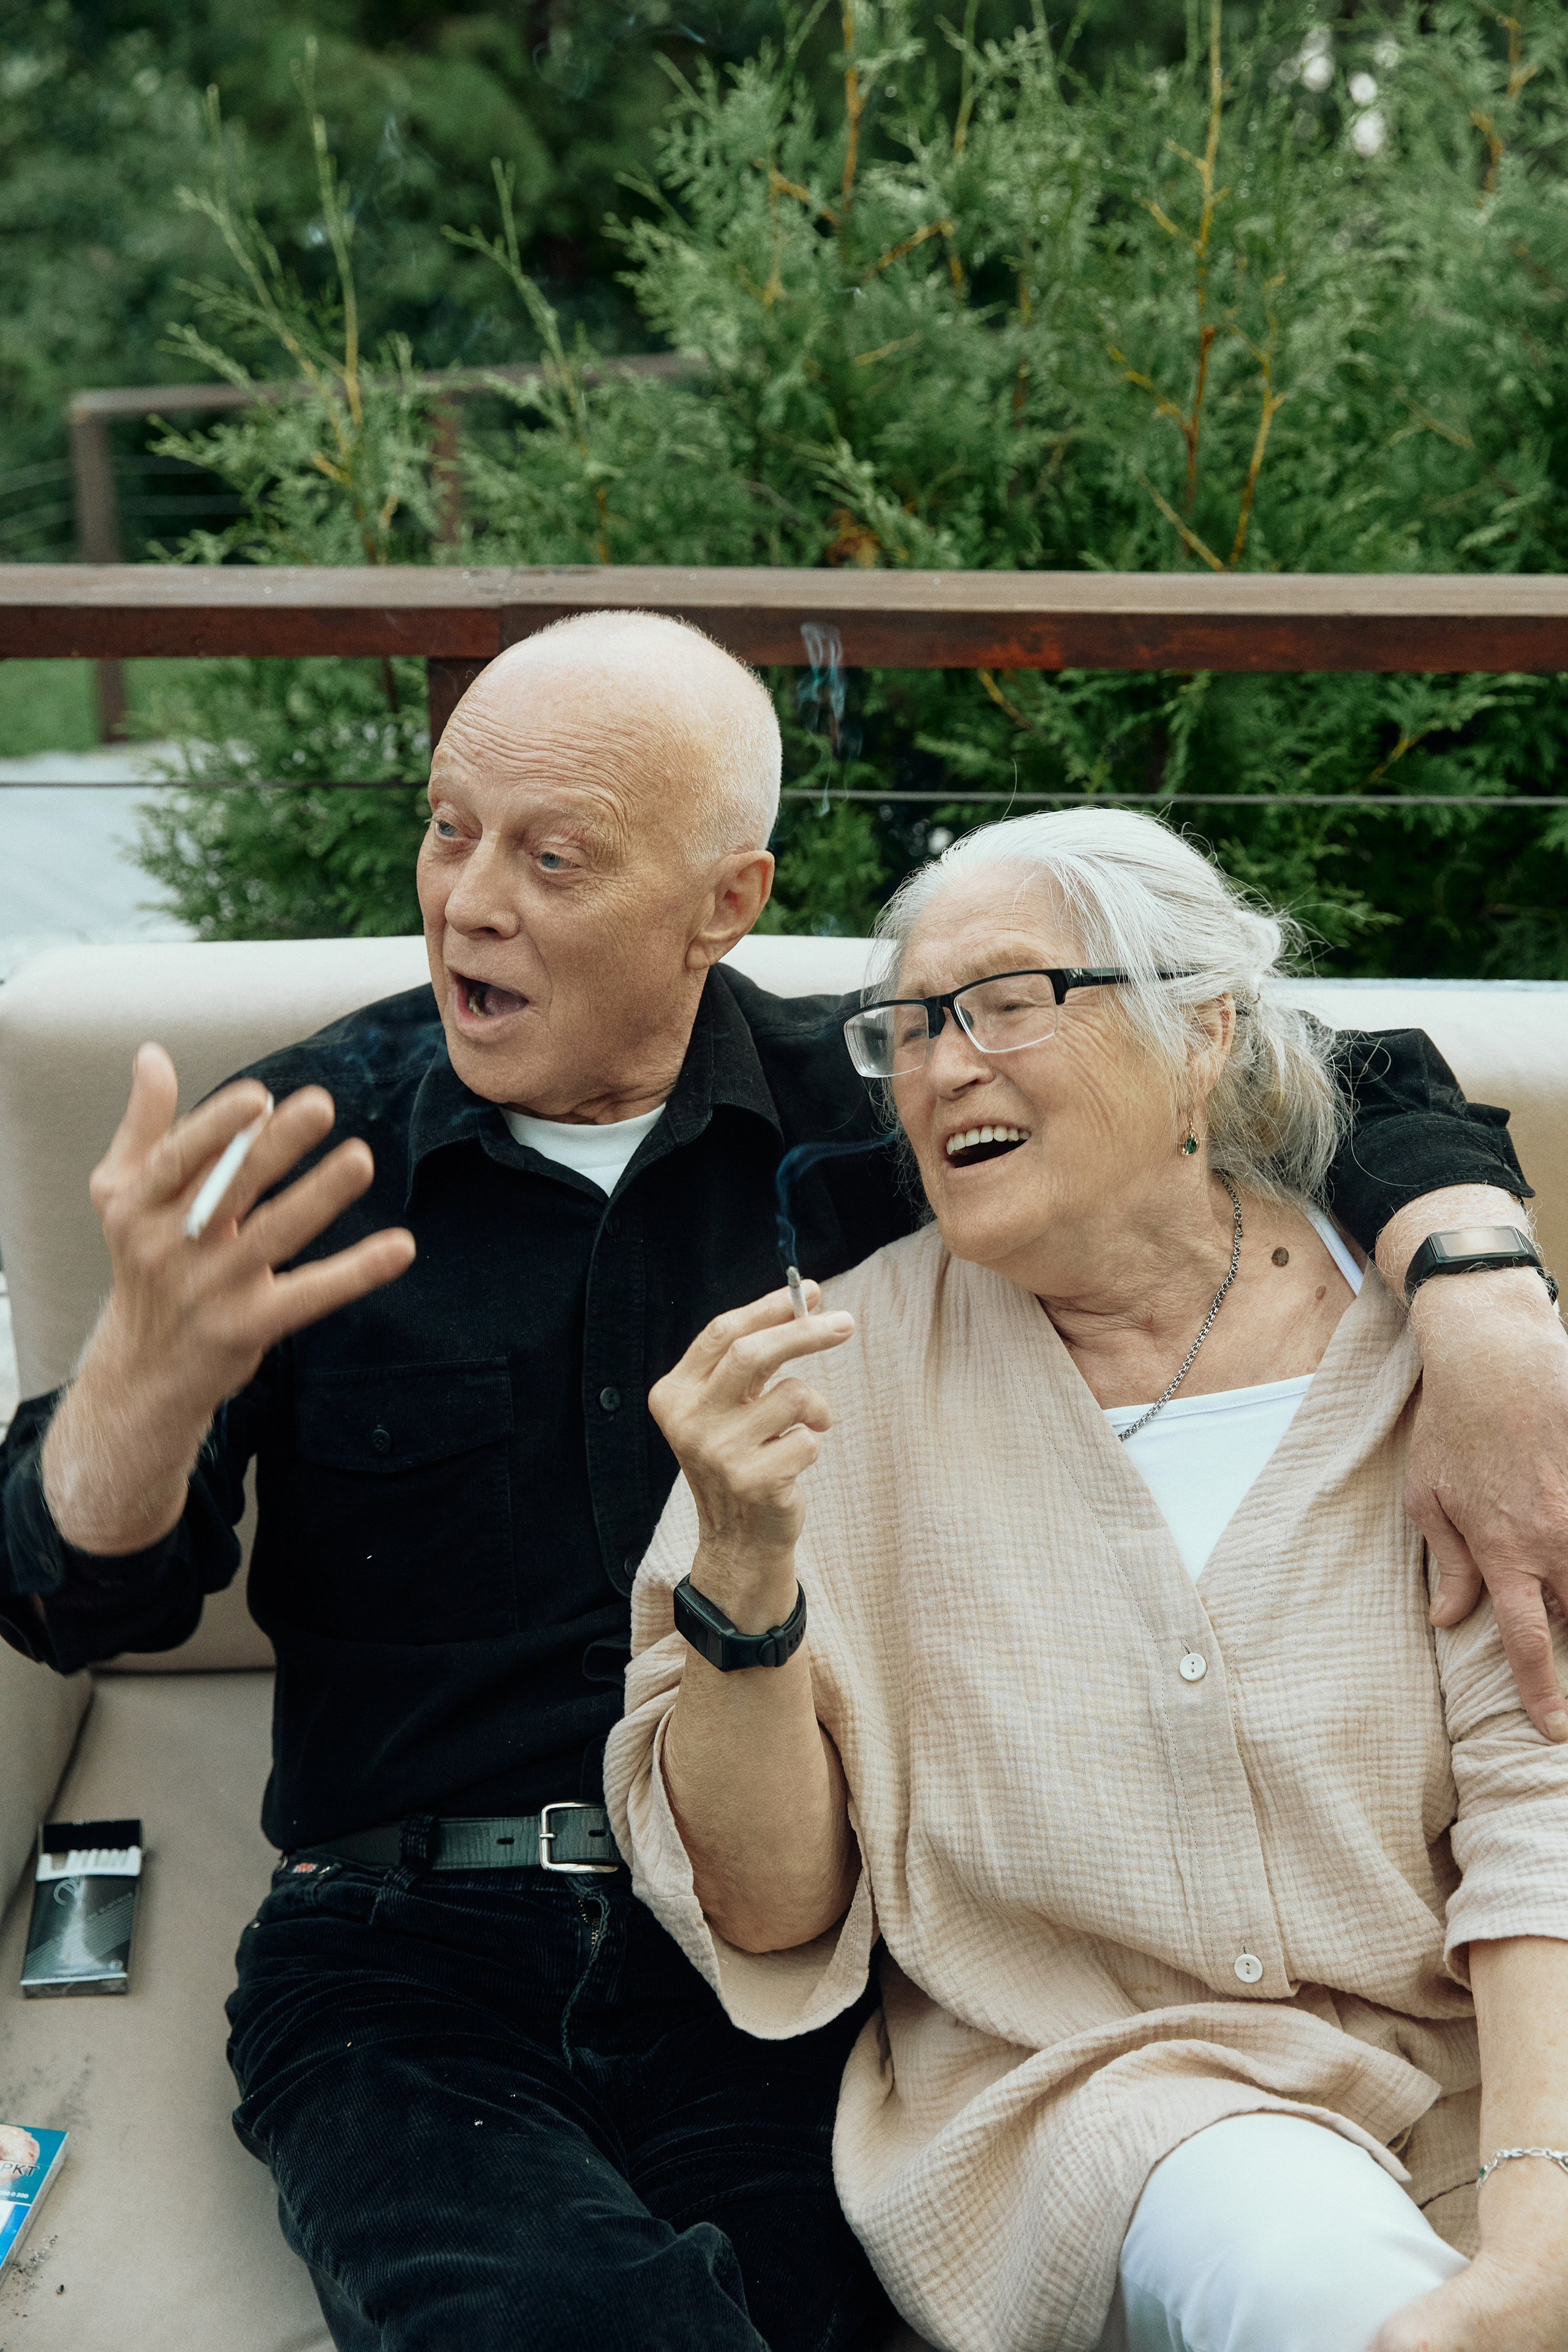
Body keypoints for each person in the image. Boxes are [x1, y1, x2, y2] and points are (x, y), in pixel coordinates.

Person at [0, 620, 1559, 2352]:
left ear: (722, 905)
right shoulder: (309, 1142)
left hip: (788, 1977)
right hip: (402, 1950)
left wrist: (1487, 1312)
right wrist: (139, 1385)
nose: (469, 902)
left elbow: (1341, 1080)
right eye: (449, 830)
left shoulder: (879, 1113)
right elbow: (77, 1597)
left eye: (552, 855)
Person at [608, 807, 1568, 2352]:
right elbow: (772, 1911)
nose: (939, 1068)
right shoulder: (825, 1386)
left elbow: (1545, 1804)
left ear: (1201, 1036)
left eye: (1002, 1003)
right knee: (1298, 2263)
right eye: (906, 1030)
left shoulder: (1427, 1350)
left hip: (1504, 2089)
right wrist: (745, 1563)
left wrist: (1537, 2229)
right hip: (1102, 2106)